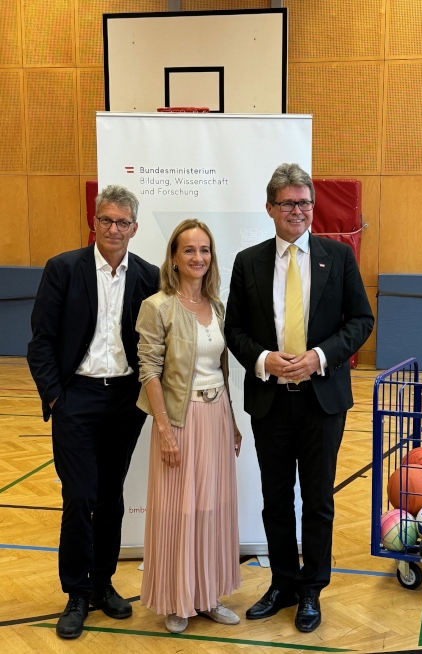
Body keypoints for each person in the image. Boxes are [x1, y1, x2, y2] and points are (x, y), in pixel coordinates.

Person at [225, 163, 374, 633]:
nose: (298, 210)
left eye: (305, 202)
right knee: (274, 499)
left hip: (321, 401)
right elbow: (234, 330)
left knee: (318, 501)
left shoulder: (339, 256)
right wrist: (265, 358)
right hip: (271, 401)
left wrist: (319, 357)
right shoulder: (248, 261)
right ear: (270, 208)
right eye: (288, 202)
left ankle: (312, 589)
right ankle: (283, 584)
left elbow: (360, 321)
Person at [27, 185, 160, 639]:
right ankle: (76, 593)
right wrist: (54, 396)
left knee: (110, 497)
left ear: (135, 228)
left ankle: (102, 584)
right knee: (79, 496)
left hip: (124, 401)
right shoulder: (63, 269)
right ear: (94, 222)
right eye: (106, 220)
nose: (114, 229)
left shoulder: (149, 276)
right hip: (76, 399)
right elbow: (41, 340)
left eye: (123, 222)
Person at [136, 219, 242, 634]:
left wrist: (232, 422)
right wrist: (164, 430)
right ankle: (178, 599)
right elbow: (148, 370)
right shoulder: (158, 306)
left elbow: (221, 368)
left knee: (213, 508)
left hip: (216, 420)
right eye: (189, 250)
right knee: (180, 511)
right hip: (179, 421)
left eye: (205, 250)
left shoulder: (217, 307)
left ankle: (208, 595)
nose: (199, 257)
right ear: (174, 259)